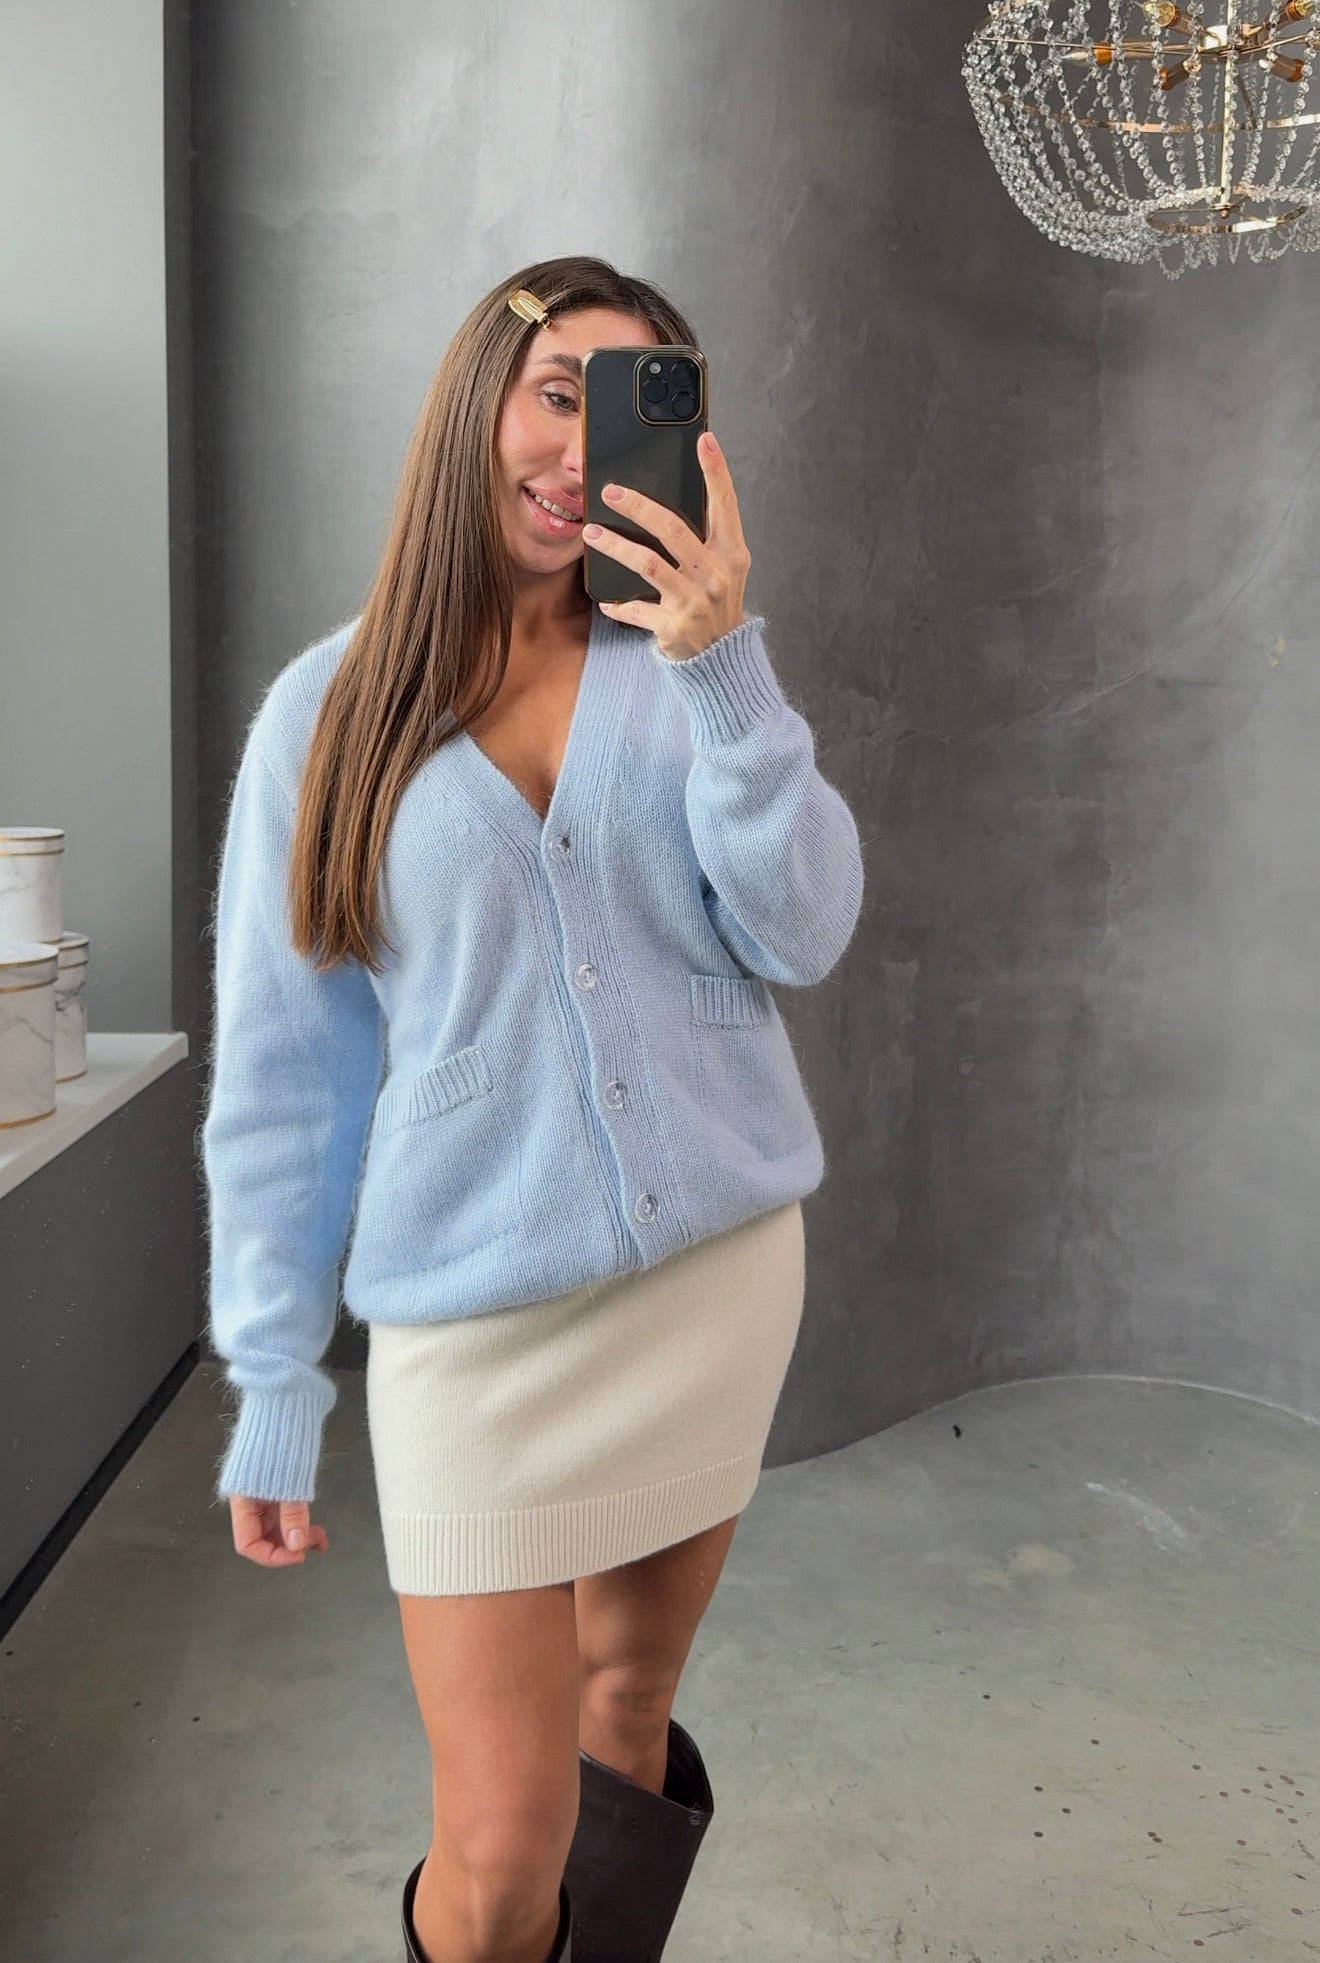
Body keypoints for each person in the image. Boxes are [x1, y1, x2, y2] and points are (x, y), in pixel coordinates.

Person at [200, 255, 865, 1963]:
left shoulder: (688, 670)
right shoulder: (326, 714)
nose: (580, 450)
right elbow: (284, 1083)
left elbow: (804, 930)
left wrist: (730, 675)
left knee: (626, 1709)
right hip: (473, 1315)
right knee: (499, 1853)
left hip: (711, 1278)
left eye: (630, 407)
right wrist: (273, 1378)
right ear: (476, 404)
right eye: (557, 391)